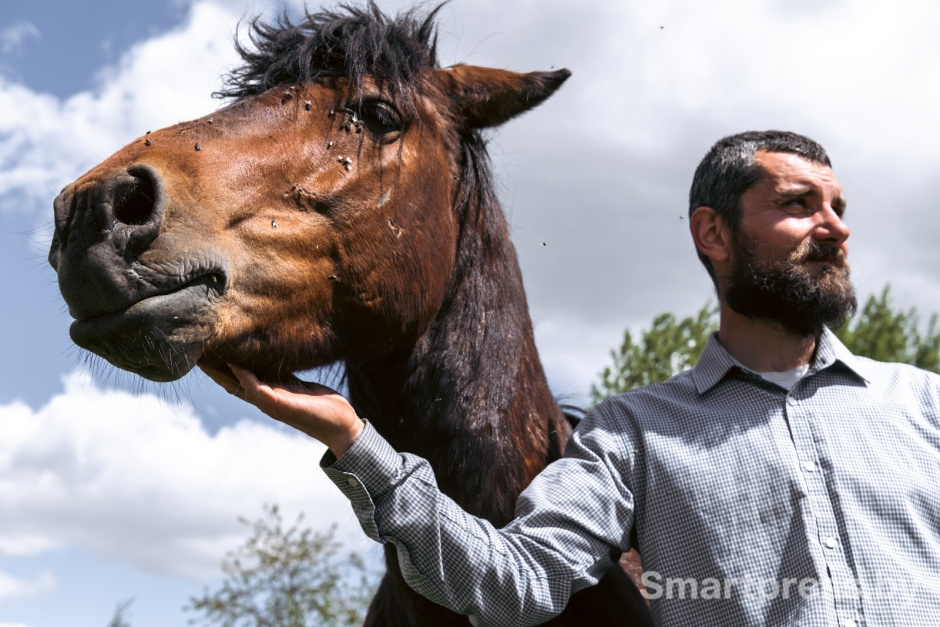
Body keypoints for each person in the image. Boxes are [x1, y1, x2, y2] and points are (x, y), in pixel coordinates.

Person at [200, 131, 940, 626]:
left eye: (838, 207)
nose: (836, 226)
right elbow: (513, 579)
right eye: (798, 204)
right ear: (714, 234)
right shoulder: (635, 434)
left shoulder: (925, 405)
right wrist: (358, 441)